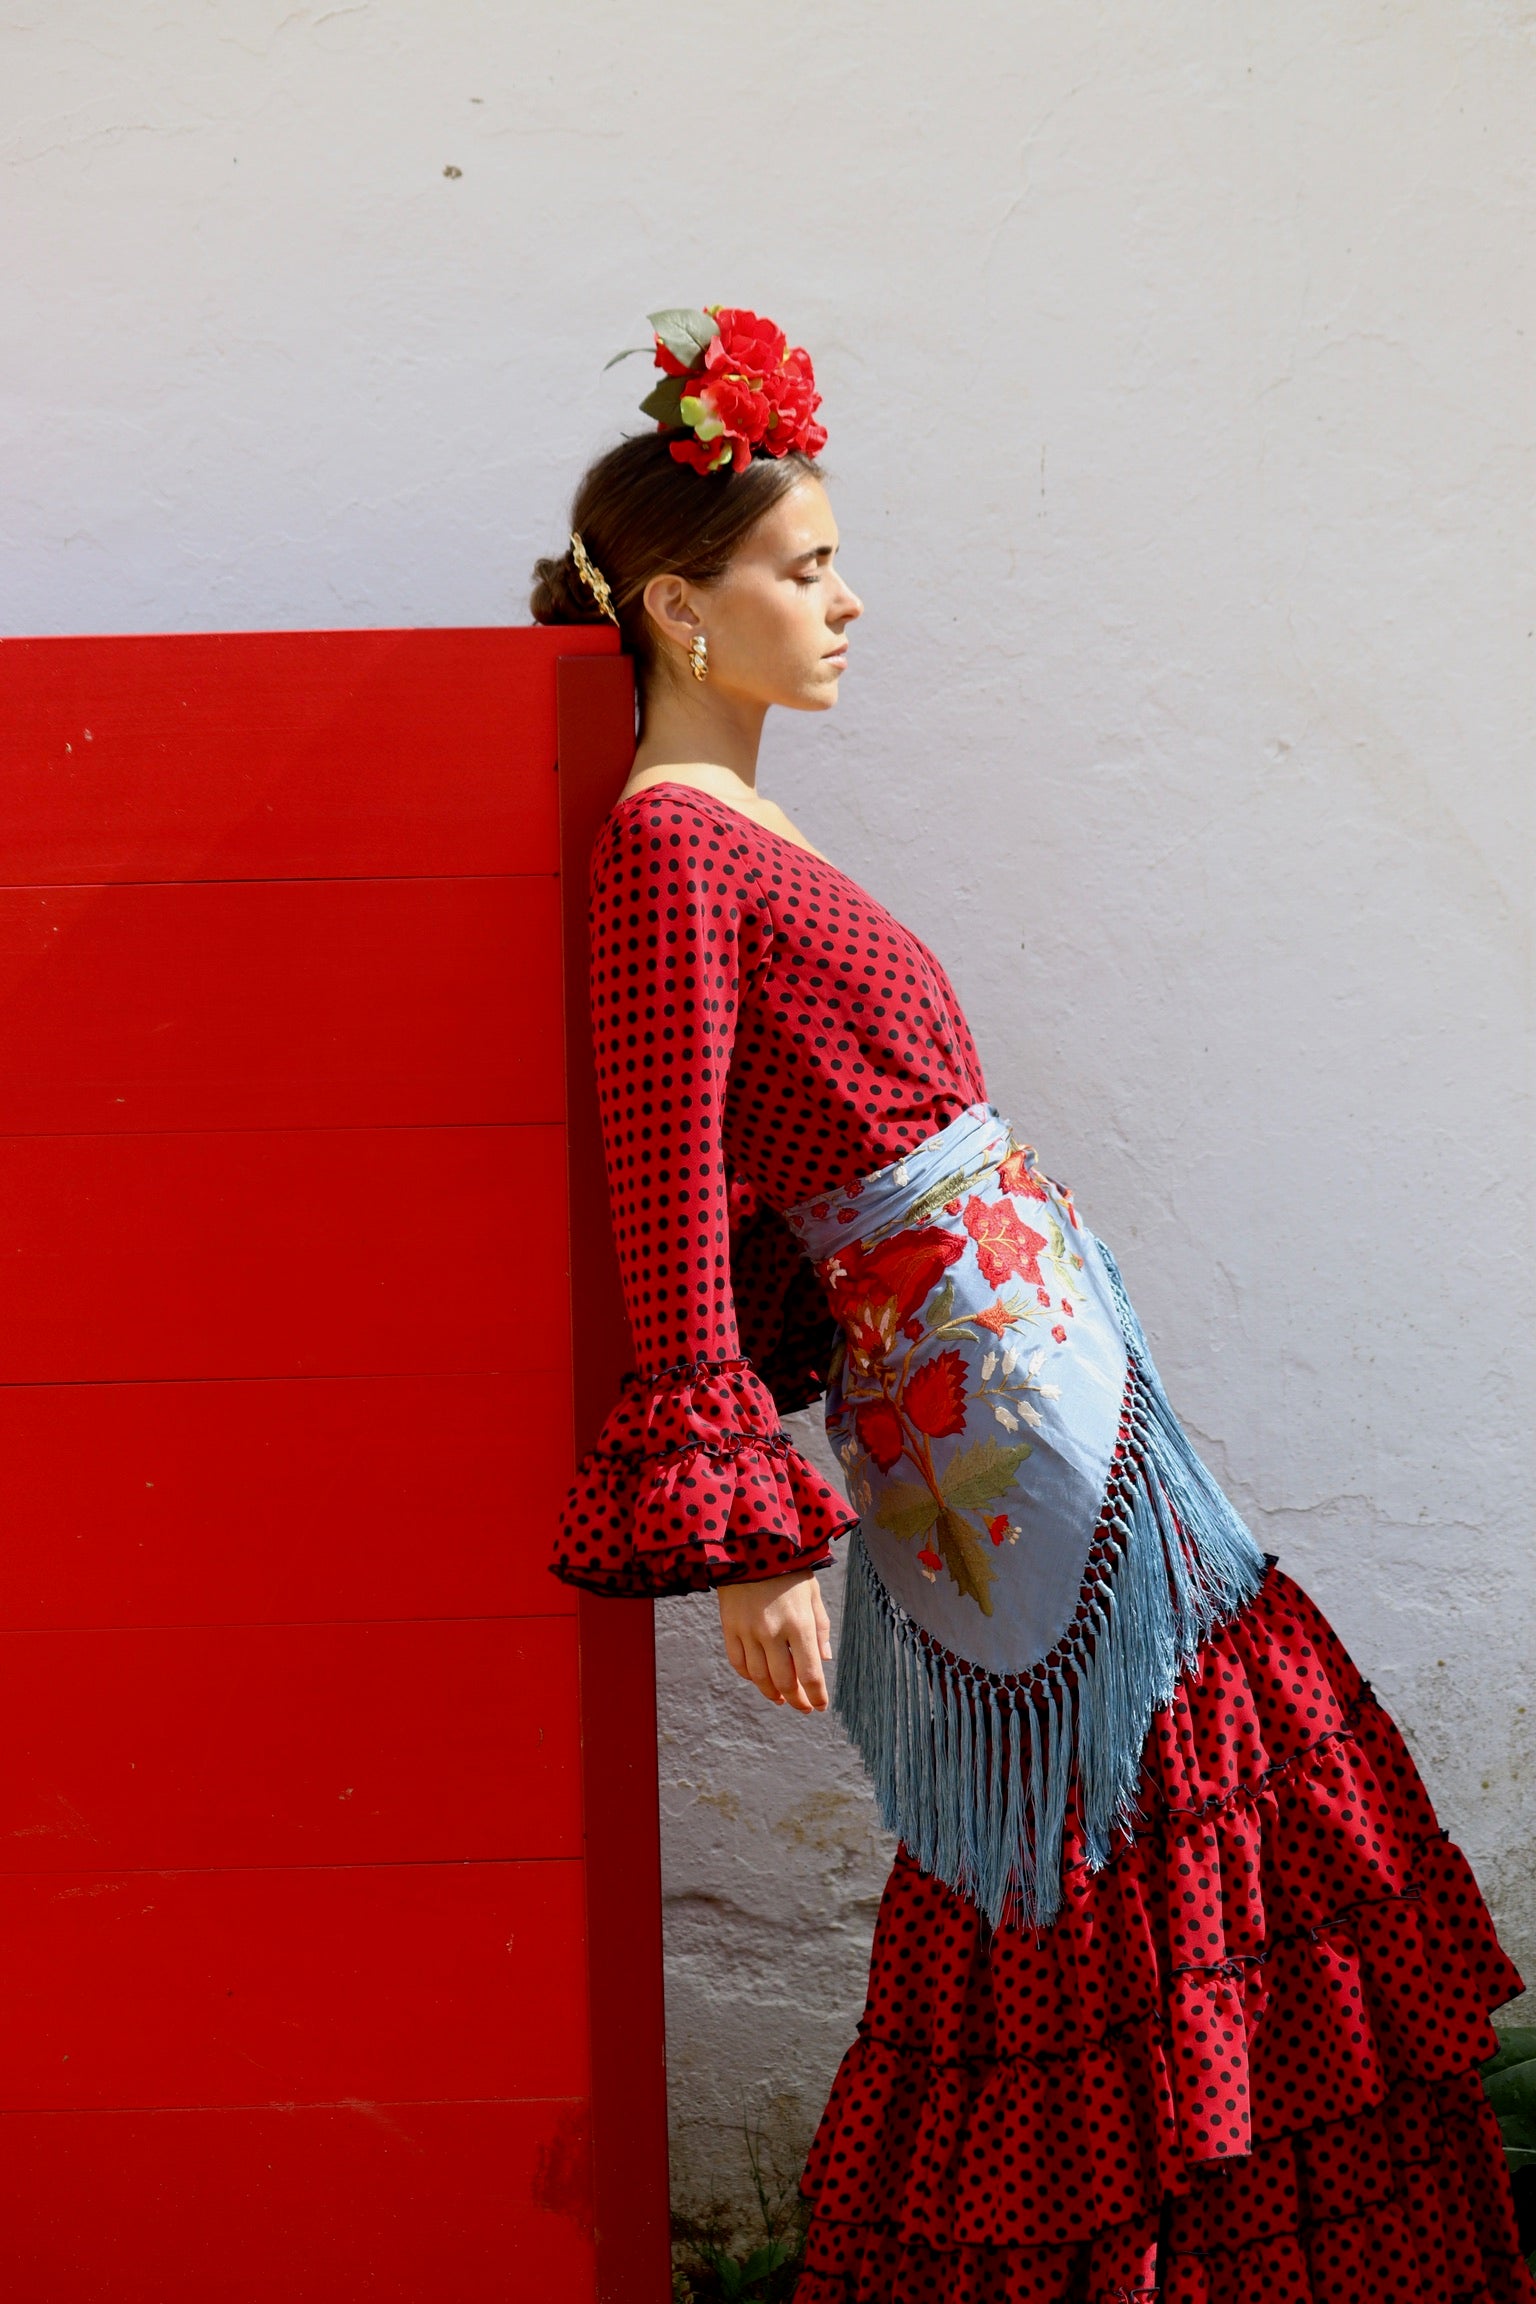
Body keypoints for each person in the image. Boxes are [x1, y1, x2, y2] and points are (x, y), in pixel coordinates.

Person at [538, 307, 1530, 2304]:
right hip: (985, 1426)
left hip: (1043, 1386)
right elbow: (669, 1181)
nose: (848, 603)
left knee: (1161, 1791)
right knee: (1104, 1820)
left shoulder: (744, 828)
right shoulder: (667, 847)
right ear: (679, 606)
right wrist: (754, 1541)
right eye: (806, 567)